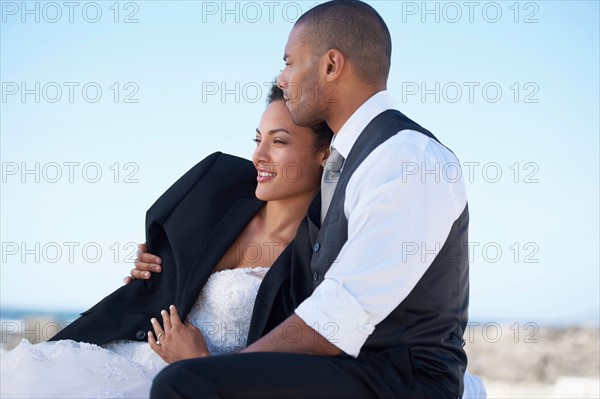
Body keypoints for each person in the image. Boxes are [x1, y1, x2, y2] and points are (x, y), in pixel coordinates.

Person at [149, 1, 477, 398]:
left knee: (185, 384)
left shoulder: (406, 158)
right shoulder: (341, 164)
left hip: (402, 383)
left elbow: (339, 316)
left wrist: (227, 372)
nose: (283, 80)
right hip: (347, 370)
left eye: (289, 63)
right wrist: (166, 260)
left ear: (331, 65)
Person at [0, 84, 332, 398]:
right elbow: (165, 266)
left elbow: (289, 369)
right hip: (119, 352)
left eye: (279, 142)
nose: (259, 155)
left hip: (189, 384)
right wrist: (149, 273)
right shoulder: (216, 190)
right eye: (257, 139)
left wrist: (203, 365)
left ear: (324, 153)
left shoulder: (318, 258)